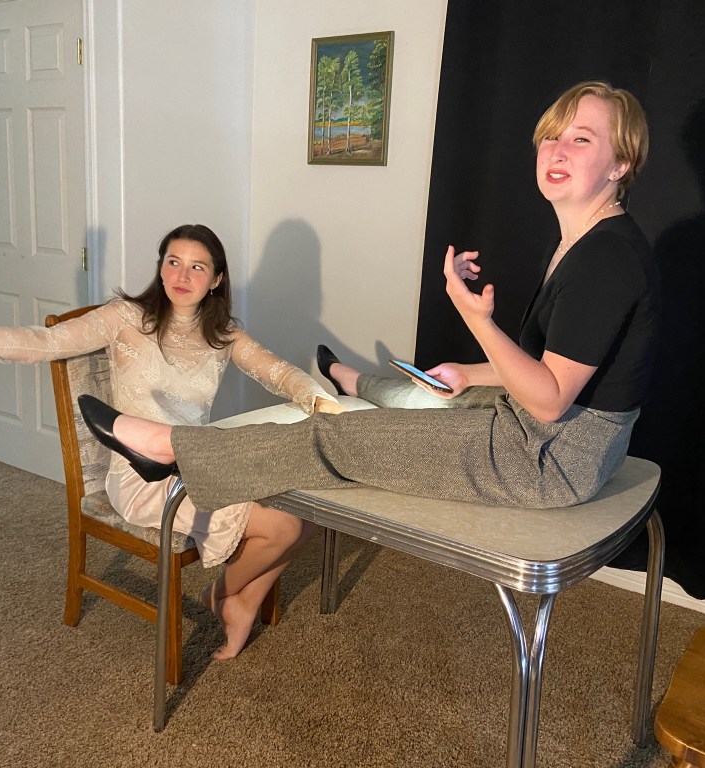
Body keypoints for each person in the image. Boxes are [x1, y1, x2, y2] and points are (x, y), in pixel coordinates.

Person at [77, 80, 661, 528]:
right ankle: (353, 381)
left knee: (333, 438)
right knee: (429, 392)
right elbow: (553, 370)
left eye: (581, 139)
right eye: (552, 136)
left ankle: (169, 449)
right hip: (550, 435)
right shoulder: (585, 243)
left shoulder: (605, 260)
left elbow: (551, 401)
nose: (557, 150)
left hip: (547, 459)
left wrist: (476, 322)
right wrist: (469, 371)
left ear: (620, 164)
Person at [0, 223, 343, 660]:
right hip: (143, 475)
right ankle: (222, 594)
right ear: (160, 267)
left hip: (200, 459)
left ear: (216, 279)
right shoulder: (125, 318)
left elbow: (279, 372)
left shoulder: (223, 334)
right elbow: (44, 343)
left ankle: (240, 601)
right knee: (282, 525)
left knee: (304, 513)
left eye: (197, 267)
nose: (182, 275)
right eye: (173, 262)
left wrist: (318, 400)